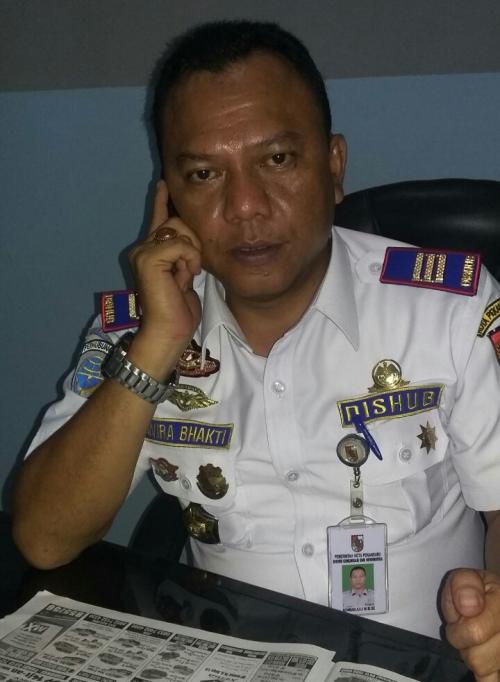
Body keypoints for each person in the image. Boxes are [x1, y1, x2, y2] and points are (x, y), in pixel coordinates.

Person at [11, 20, 500, 679]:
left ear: (333, 166)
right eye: (204, 174)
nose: (245, 206)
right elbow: (43, 539)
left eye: (277, 160)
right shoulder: (141, 328)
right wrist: (157, 346)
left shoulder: (448, 309)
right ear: (169, 197)